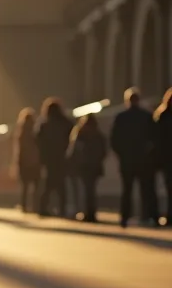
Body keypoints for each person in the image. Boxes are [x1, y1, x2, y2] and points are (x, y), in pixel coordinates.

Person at [109, 87, 157, 227]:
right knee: (146, 189)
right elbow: (154, 138)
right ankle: (149, 215)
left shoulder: (121, 117)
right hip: (144, 160)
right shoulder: (146, 116)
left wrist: (121, 154)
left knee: (127, 190)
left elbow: (114, 139)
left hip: (127, 160)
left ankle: (125, 216)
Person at [35, 97, 73, 218]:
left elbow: (38, 141)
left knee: (48, 185)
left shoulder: (44, 124)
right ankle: (62, 208)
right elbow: (71, 137)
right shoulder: (65, 123)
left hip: (49, 159)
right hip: (61, 158)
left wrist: (42, 157)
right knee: (61, 185)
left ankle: (42, 207)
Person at [67, 114, 107, 223]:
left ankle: (86, 212)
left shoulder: (80, 134)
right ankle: (91, 212)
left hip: (83, 166)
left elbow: (74, 151)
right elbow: (103, 151)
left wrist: (72, 162)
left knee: (85, 190)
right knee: (91, 190)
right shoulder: (98, 135)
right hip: (94, 166)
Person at [12, 108, 41, 212]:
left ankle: (24, 206)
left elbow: (19, 151)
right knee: (36, 187)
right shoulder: (36, 131)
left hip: (24, 163)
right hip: (35, 163)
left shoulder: (21, 133)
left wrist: (17, 164)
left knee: (25, 187)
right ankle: (35, 206)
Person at [154, 87, 172, 224]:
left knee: (169, 188)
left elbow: (156, 140)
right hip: (167, 158)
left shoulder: (162, 116)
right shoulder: (162, 116)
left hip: (166, 158)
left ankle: (169, 215)